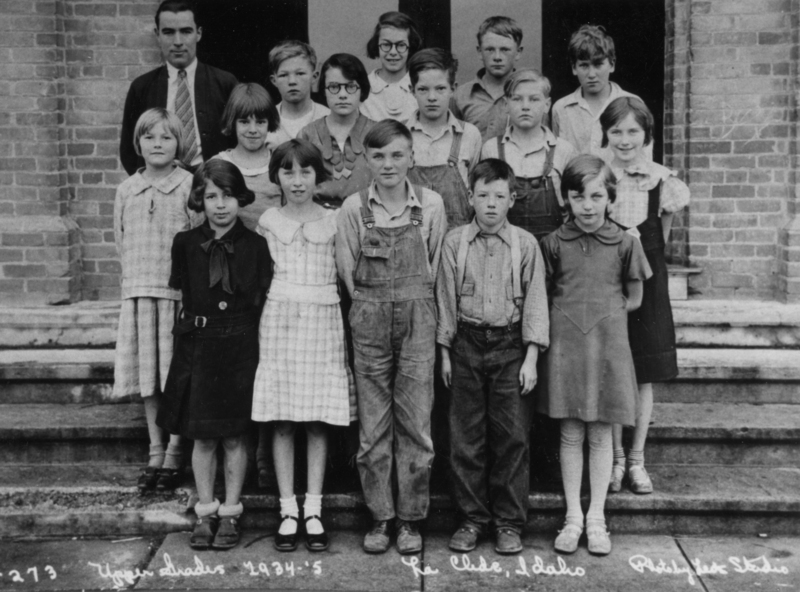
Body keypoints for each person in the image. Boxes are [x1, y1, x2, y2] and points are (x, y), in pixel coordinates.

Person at [336, 120, 446, 555]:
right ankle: (381, 517)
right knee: (373, 426)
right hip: (369, 321)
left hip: (420, 318)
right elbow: (348, 273)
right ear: (366, 159)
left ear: (412, 157)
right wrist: (370, 309)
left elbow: (436, 266)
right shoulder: (352, 208)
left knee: (416, 424)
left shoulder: (432, 205)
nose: (388, 164)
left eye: (397, 154)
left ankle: (411, 520)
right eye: (378, 156)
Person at [537, 154, 651, 556]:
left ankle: (597, 517)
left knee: (602, 433)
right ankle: (572, 516)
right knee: (570, 433)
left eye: (596, 196)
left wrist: (604, 317)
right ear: (566, 199)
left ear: (610, 197)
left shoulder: (625, 243)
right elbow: (544, 294)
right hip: (566, 348)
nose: (587, 205)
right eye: (578, 196)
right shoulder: (552, 244)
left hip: (607, 347)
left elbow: (634, 298)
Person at [436, 158, 548, 555]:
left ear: (512, 199)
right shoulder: (454, 243)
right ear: (469, 197)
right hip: (465, 345)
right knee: (465, 438)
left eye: (499, 196)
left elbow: (535, 302)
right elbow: (445, 302)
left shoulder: (526, 244)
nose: (490, 204)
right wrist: (445, 353)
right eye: (482, 195)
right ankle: (471, 519)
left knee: (512, 437)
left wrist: (531, 358)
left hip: (510, 348)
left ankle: (508, 523)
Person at [157, 159, 270, 550]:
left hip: (240, 348)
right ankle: (205, 510)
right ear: (199, 201)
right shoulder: (185, 244)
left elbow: (260, 300)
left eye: (227, 196)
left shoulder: (256, 246)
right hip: (200, 347)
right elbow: (182, 297)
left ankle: (231, 513)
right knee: (203, 438)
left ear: (240, 198)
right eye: (211, 197)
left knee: (236, 437)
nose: (220, 205)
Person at [251, 139, 355, 553]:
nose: (298, 181)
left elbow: (347, 275)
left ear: (318, 176)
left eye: (306, 172)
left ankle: (313, 508)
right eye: (288, 172)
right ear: (276, 176)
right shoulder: (269, 222)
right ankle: (287, 509)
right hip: (280, 322)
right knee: (282, 419)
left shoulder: (333, 221)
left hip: (322, 320)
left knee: (315, 420)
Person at [601, 97, 690, 495]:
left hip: (649, 284)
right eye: (616, 130)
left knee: (643, 375)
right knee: (612, 371)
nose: (624, 139)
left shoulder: (663, 181)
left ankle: (637, 460)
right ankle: (615, 461)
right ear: (605, 133)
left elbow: (662, 235)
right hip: (607, 283)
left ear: (646, 134)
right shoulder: (598, 177)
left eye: (633, 131)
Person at [112, 108, 199, 492]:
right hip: (139, 293)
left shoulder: (187, 185)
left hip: (176, 297)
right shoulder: (127, 189)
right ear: (138, 144)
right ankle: (155, 447)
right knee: (150, 378)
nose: (158, 144)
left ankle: (176, 451)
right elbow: (120, 239)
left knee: (175, 377)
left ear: (178, 143)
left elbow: (197, 241)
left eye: (166, 137)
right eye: (149, 137)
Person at [120, 0, 237, 174]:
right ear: (157, 35)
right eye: (168, 32)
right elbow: (130, 149)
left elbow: (238, 141)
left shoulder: (225, 83)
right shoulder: (142, 87)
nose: (178, 41)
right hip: (162, 183)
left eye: (185, 31)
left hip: (212, 185)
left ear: (198, 33)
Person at [480, 69, 576, 241]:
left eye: (534, 99)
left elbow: (574, 205)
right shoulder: (491, 149)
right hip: (505, 245)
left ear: (547, 105)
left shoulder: (563, 150)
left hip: (552, 247)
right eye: (517, 99)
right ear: (506, 104)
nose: (525, 106)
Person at [551, 25, 652, 164]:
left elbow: (644, 158)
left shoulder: (633, 103)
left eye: (598, 64)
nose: (592, 74)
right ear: (574, 68)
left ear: (612, 64)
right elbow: (556, 159)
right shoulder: (561, 108)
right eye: (584, 65)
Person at [407, 48, 482, 231]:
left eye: (440, 88)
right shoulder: (400, 135)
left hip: (457, 238)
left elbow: (478, 191)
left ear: (453, 89)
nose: (432, 97)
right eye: (423, 89)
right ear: (412, 90)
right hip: (412, 238)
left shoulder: (469, 135)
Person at [298, 53, 376, 209]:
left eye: (351, 86)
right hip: (318, 219)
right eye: (334, 87)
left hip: (368, 217)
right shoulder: (307, 135)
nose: (342, 95)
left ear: (362, 89)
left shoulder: (378, 133)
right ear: (324, 90)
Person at [213, 83, 282, 231]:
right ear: (233, 122)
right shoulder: (218, 164)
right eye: (244, 122)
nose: (253, 130)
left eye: (260, 122)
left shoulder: (280, 163)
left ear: (269, 122)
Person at [452, 16, 522, 143]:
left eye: (505, 50)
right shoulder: (460, 96)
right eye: (490, 49)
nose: (497, 57)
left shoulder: (530, 94)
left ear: (518, 52)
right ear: (479, 52)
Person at [265, 41, 330, 149]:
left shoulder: (328, 118)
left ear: (314, 77)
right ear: (274, 80)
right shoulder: (264, 121)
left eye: (300, 73)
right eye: (283, 75)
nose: (292, 81)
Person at [360, 11, 422, 124]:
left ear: (410, 47)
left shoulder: (422, 87)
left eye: (401, 45)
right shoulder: (362, 87)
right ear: (376, 46)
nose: (393, 52)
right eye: (386, 45)